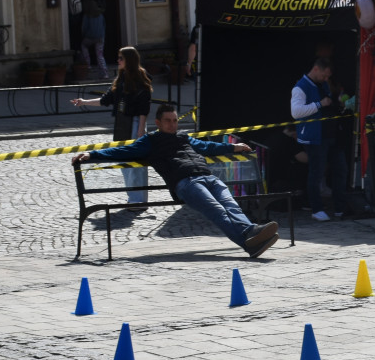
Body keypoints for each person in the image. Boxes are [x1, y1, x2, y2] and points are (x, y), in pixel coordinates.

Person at [71, 104, 280, 258]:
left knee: (229, 204)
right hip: (186, 182)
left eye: (175, 120)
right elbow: (122, 151)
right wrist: (91, 155)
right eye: (168, 121)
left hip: (207, 176)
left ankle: (251, 233)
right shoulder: (150, 141)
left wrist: (233, 147)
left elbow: (206, 147)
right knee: (216, 209)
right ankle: (248, 240)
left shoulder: (183, 137)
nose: (173, 124)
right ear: (158, 123)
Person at [71, 46, 153, 207]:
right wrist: (84, 102)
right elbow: (106, 99)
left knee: (136, 164)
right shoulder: (121, 78)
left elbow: (144, 107)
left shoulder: (141, 78)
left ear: (129, 60)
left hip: (135, 122)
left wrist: (140, 129)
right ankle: (132, 198)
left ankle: (138, 201)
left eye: (121, 58)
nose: (118, 61)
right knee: (125, 161)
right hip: (122, 123)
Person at [291, 57, 349, 221]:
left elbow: (328, 103)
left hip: (331, 135)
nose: (326, 79)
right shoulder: (300, 88)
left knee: (340, 170)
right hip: (315, 138)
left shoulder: (323, 84)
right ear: (316, 69)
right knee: (316, 173)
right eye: (324, 75)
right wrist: (319, 104)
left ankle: (340, 208)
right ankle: (316, 209)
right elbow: (295, 112)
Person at [79, 0, 108, 79]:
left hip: (90, 37)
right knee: (100, 55)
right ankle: (105, 73)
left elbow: (84, 28)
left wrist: (84, 35)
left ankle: (88, 65)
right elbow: (104, 25)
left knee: (83, 46)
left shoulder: (87, 15)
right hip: (100, 37)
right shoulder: (100, 15)